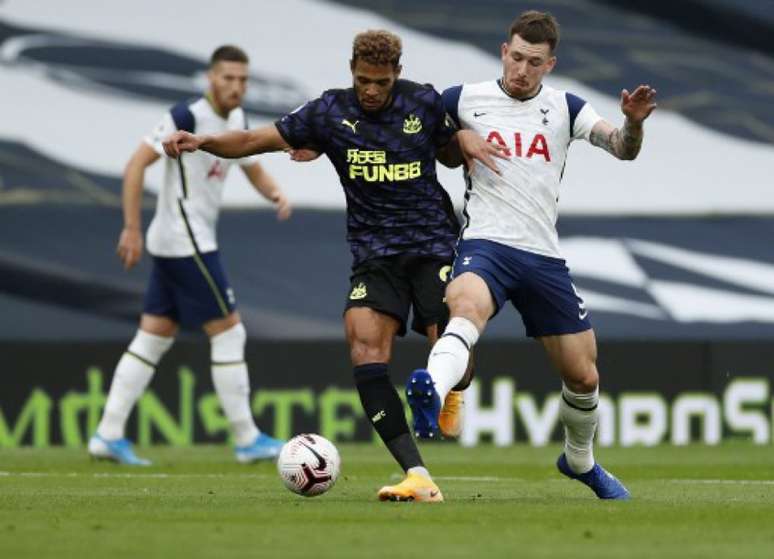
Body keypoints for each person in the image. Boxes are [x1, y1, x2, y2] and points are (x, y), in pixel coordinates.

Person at [163, 30, 500, 502]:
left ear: (396, 75)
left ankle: (455, 388)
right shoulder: (329, 111)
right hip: (373, 253)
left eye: (381, 82)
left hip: (433, 246)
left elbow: (447, 155)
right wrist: (203, 141)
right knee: (364, 348)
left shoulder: (421, 102)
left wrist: (459, 135)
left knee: (450, 355)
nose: (371, 90)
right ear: (351, 71)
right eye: (364, 80)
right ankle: (417, 475)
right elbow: (254, 139)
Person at [406, 11, 657, 500]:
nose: (521, 69)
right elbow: (418, 137)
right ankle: (431, 389)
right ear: (505, 51)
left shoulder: (567, 107)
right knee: (465, 306)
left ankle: (579, 460)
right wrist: (455, 136)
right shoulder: (463, 99)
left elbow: (623, 149)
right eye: (516, 57)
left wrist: (632, 123)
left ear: (550, 64)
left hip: (542, 255)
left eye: (534, 62)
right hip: (486, 243)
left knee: (584, 374)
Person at [89, 45, 291, 466]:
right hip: (185, 240)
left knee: (153, 337)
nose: (236, 86)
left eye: (242, 79)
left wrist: (273, 192)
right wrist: (130, 227)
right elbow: (135, 166)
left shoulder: (236, 119)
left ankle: (107, 435)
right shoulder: (185, 117)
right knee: (230, 332)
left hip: (179, 242)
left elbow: (250, 162)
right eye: (228, 78)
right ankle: (246, 438)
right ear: (211, 79)